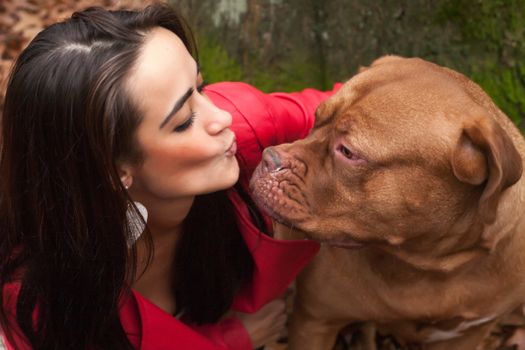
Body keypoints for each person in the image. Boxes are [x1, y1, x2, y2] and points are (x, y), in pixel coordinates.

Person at [0, 4, 340, 349]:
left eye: (200, 88)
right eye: (183, 122)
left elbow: (364, 107)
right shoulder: (38, 293)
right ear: (113, 170)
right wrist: (231, 341)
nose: (220, 116)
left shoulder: (246, 124)